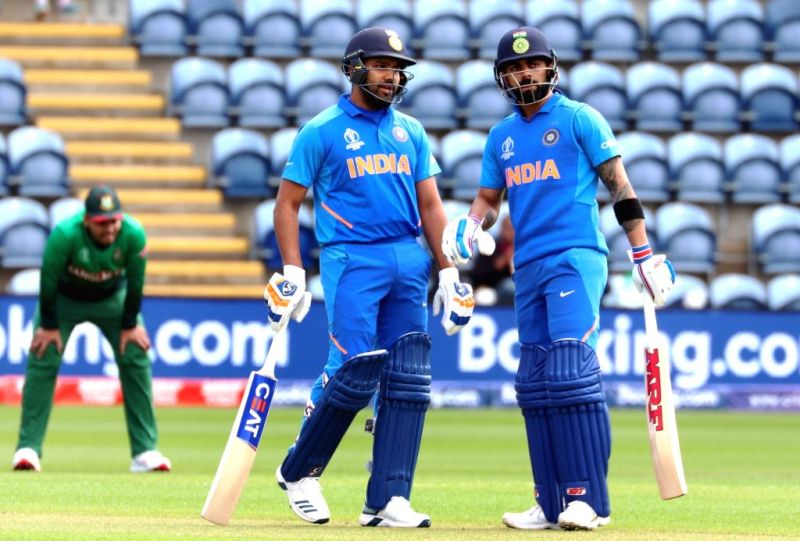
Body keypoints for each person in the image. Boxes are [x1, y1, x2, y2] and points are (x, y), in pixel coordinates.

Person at [441, 27, 675, 531]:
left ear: (550, 68)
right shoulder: (501, 136)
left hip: (576, 257)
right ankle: (549, 502)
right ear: (502, 78)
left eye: (532, 64)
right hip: (528, 266)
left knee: (570, 372)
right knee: (534, 383)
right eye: (513, 68)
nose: (524, 73)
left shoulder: (579, 118)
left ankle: (588, 499)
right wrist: (471, 224)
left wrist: (643, 254)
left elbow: (620, 187)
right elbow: (489, 199)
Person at [265, 27, 475, 528]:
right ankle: (300, 471)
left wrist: (449, 272)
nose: (391, 76)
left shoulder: (411, 131)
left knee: (406, 378)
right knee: (352, 369)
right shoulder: (321, 130)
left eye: (398, 69)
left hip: (409, 257)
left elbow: (431, 206)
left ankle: (387, 498)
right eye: (382, 65)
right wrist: (293, 269)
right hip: (352, 257)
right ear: (354, 67)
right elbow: (287, 204)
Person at [12, 185, 170, 474]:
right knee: (43, 354)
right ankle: (28, 448)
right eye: (101, 223)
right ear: (87, 220)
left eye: (114, 221)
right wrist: (48, 325)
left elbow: (136, 283)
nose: (109, 229)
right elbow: (48, 281)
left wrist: (129, 325)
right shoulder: (65, 234)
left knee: (136, 353)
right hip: (65, 299)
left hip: (112, 298)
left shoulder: (134, 234)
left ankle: (144, 451)